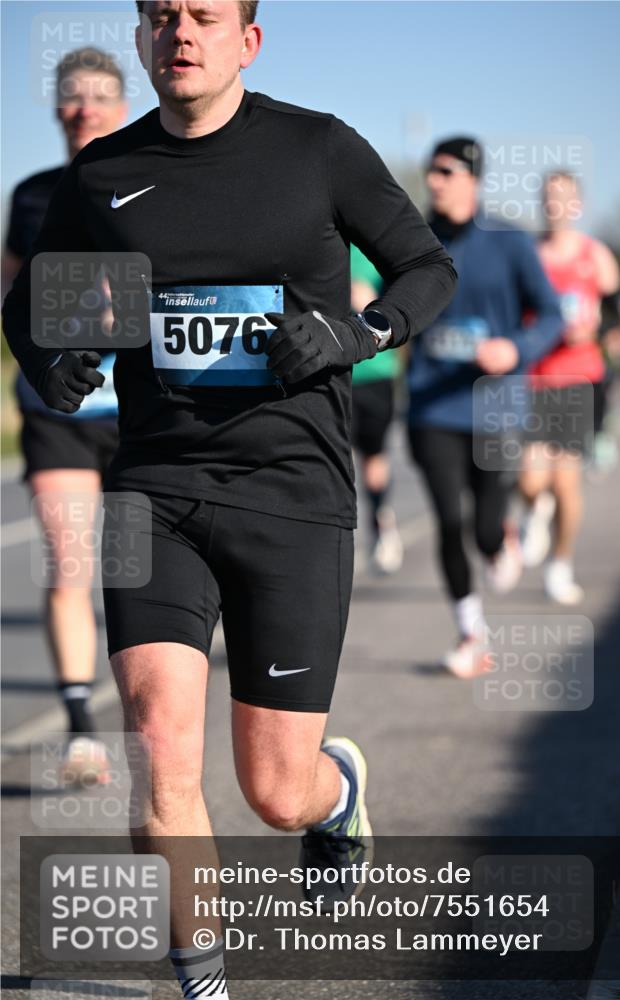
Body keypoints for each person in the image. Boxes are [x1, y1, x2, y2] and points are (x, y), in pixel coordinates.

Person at [3, 2, 457, 996]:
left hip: (291, 490)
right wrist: (55, 358)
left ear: (247, 41)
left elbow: (428, 266)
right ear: (140, 40)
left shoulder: (318, 149)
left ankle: (334, 798)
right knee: (161, 749)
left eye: (204, 15)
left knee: (274, 791)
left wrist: (359, 332)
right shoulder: (103, 174)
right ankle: (203, 983)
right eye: (161, 16)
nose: (181, 31)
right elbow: (30, 301)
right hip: (155, 485)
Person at [1, 47, 127, 782]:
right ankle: (81, 726)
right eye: (72, 96)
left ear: (120, 107)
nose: (84, 107)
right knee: (69, 559)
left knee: (144, 571)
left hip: (140, 408)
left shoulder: (152, 182)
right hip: (55, 406)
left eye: (100, 96)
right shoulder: (29, 195)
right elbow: (12, 295)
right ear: (57, 109)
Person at [407, 137, 562, 678]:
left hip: (495, 406)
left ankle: (504, 537)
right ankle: (471, 632)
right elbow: (379, 289)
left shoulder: (510, 242)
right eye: (430, 172)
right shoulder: (412, 238)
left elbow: (550, 314)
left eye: (446, 172)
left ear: (473, 178)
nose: (435, 182)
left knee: (485, 530)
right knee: (450, 521)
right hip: (431, 405)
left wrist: (515, 348)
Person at [518, 172, 620, 604]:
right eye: (549, 197)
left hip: (579, 377)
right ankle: (532, 511)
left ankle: (560, 565)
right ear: (542, 203)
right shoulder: (529, 254)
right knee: (530, 480)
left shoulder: (595, 255)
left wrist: (595, 330)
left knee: (566, 483)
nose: (556, 204)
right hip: (534, 379)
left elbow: (616, 314)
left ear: (578, 204)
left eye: (565, 197)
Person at [350, 245, 403, 574]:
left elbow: (408, 299)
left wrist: (372, 303)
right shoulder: (314, 236)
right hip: (331, 372)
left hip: (375, 373)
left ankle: (381, 521)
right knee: (338, 456)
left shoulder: (375, 244)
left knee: (373, 459)